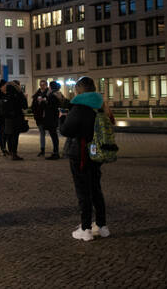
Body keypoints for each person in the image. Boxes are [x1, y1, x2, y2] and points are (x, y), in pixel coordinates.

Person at [59, 76, 114, 241]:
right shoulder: (100, 105)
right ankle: (102, 226)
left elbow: (66, 130)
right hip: (96, 151)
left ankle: (86, 229)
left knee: (83, 191)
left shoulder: (80, 107)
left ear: (78, 90)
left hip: (80, 153)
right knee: (96, 189)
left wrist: (62, 118)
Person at [1, 82, 26, 160]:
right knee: (15, 136)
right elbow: (25, 105)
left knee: (9, 136)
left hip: (7, 119)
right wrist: (21, 93)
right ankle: (14, 154)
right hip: (16, 118)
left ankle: (11, 152)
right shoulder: (17, 96)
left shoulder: (5, 96)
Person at [40, 81, 64, 160]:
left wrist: (43, 101)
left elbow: (48, 107)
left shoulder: (52, 95)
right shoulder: (58, 94)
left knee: (54, 136)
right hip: (54, 117)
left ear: (50, 87)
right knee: (54, 135)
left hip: (50, 118)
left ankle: (55, 153)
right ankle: (55, 152)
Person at [31, 80, 49, 157]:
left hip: (47, 117)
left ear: (46, 85)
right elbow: (33, 106)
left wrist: (45, 101)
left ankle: (56, 150)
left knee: (52, 133)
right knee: (42, 133)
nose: (42, 86)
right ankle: (42, 149)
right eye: (41, 84)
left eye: (44, 84)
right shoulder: (36, 94)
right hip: (39, 117)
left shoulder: (49, 94)